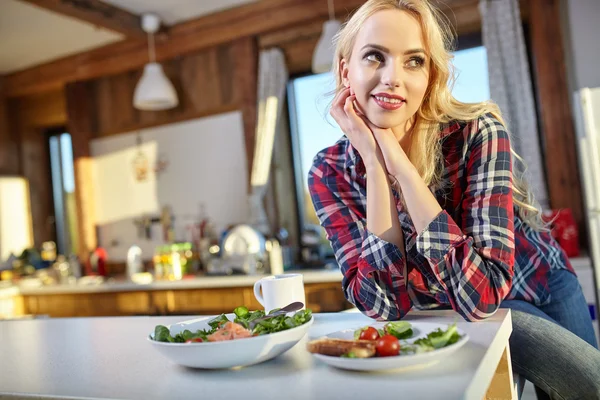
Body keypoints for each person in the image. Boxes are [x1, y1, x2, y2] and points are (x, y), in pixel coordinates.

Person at [307, 0, 600, 398]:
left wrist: (399, 165)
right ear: (346, 69)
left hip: (540, 282)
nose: (393, 77)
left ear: (430, 75)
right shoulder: (329, 172)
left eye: (414, 61)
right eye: (375, 56)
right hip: (465, 303)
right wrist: (375, 169)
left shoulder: (476, 131)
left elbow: (485, 288)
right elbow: (383, 305)